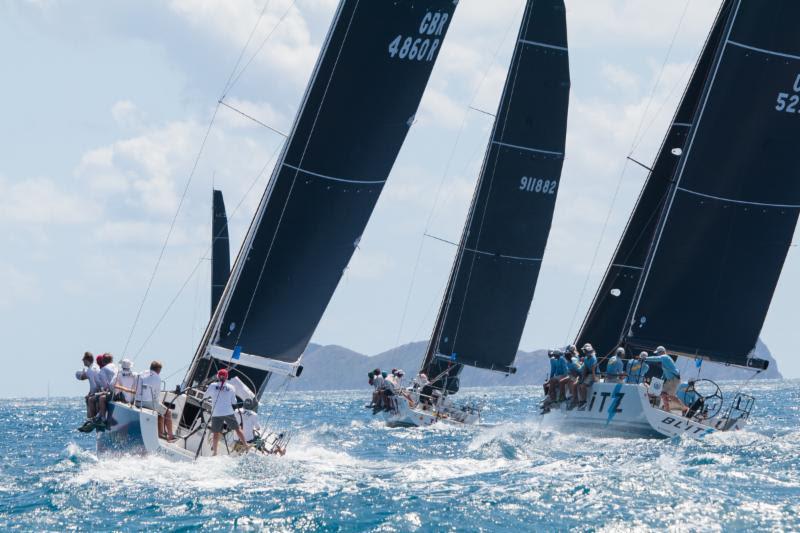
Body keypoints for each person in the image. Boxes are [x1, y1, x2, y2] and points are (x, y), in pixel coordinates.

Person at [204, 369, 248, 456]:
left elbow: (205, 396)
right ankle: (246, 445)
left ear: (217, 376)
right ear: (227, 377)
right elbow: (234, 402)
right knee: (237, 429)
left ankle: (215, 452)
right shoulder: (232, 387)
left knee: (216, 432)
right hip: (228, 412)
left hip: (216, 413)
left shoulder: (212, 385)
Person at [135, 360, 174, 441]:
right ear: (159, 370)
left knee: (160, 413)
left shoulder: (142, 373)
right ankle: (170, 436)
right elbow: (156, 396)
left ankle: (160, 433)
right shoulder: (157, 378)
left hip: (137, 401)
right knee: (168, 412)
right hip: (148, 403)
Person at [645, 346, 685, 412]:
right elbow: (665, 372)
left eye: (658, 353)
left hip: (674, 379)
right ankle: (667, 409)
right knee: (663, 393)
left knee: (670, 396)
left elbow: (656, 358)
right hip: (670, 380)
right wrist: (661, 380)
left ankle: (684, 408)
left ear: (662, 352)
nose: (657, 354)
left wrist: (645, 358)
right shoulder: (664, 360)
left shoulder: (665, 357)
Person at [76, 352, 101, 432]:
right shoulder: (96, 366)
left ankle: (91, 420)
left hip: (99, 391)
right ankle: (92, 419)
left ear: (87, 360)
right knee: (89, 397)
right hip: (100, 389)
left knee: (88, 399)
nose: (83, 362)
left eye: (83, 360)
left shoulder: (90, 370)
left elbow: (93, 386)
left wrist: (90, 394)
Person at [574, 343, 598, 408]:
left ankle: (584, 401)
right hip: (588, 374)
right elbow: (585, 369)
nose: (586, 353)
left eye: (587, 351)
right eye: (586, 351)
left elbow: (593, 371)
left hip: (594, 374)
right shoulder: (586, 358)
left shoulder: (593, 359)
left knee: (583, 386)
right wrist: (582, 379)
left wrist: (595, 379)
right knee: (579, 385)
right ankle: (580, 400)